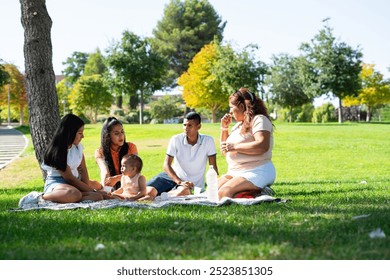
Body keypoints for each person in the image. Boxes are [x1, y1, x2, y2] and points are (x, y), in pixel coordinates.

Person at [19, 114, 104, 206]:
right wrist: (92, 190)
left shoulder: (78, 148)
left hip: (73, 185)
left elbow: (83, 169)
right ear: (70, 132)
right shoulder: (58, 151)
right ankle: (39, 197)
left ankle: (73, 198)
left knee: (97, 197)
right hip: (58, 184)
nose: (82, 136)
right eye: (80, 133)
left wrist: (91, 191)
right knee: (74, 194)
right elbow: (69, 178)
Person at [145, 112, 218, 200]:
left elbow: (213, 167)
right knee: (144, 190)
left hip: (190, 184)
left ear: (198, 127)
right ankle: (156, 194)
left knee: (182, 192)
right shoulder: (176, 139)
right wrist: (179, 181)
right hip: (171, 177)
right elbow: (166, 165)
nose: (186, 128)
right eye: (184, 125)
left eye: (189, 125)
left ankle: (160, 196)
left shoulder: (208, 141)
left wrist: (215, 184)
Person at [218, 87, 276, 199]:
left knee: (224, 193)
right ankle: (254, 192)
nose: (230, 111)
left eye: (231, 107)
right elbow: (225, 151)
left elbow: (262, 146)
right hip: (235, 172)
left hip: (257, 170)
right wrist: (224, 128)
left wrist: (234, 146)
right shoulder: (238, 125)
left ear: (241, 106)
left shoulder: (259, 119)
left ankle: (260, 191)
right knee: (211, 191)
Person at [95, 117, 138, 190]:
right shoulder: (100, 152)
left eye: (122, 132)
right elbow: (104, 172)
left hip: (130, 185)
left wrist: (117, 178)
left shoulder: (131, 147)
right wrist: (106, 187)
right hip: (111, 186)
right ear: (107, 136)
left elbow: (135, 173)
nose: (121, 136)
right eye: (116, 133)